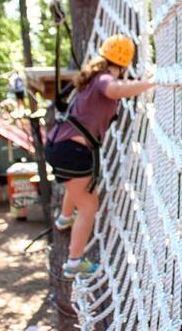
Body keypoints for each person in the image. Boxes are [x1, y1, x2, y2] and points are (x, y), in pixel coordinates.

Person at [45, 34, 154, 278]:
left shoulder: (91, 78)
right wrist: (149, 84)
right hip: (72, 152)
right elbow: (114, 90)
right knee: (88, 205)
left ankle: (64, 218)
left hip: (59, 146)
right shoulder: (105, 79)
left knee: (78, 188)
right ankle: (74, 262)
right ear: (125, 63)